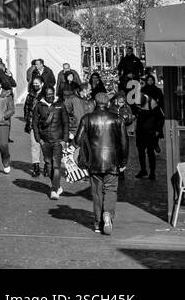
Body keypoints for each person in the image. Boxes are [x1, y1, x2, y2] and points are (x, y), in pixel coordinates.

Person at [75, 92, 129, 235]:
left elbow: (77, 140)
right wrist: (123, 161)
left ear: (94, 102)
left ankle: (98, 222)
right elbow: (124, 143)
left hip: (94, 161)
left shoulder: (87, 118)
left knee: (97, 192)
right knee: (111, 190)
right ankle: (108, 214)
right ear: (108, 103)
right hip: (112, 161)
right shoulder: (117, 119)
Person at [32, 85, 69, 200]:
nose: (50, 97)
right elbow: (34, 124)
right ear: (44, 95)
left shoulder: (60, 105)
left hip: (58, 140)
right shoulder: (39, 106)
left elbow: (66, 123)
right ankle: (57, 185)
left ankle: (54, 189)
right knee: (48, 165)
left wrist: (65, 139)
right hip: (45, 140)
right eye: (48, 95)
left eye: (52, 94)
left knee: (56, 165)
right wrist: (39, 139)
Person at [134, 73, 165, 180]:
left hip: (151, 131)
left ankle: (152, 172)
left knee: (150, 152)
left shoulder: (154, 105)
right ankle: (143, 170)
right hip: (141, 131)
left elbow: (160, 117)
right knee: (141, 151)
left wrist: (158, 130)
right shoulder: (140, 106)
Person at [0, 68, 15, 175]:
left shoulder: (7, 94)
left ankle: (6, 161)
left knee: (3, 145)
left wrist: (3, 116)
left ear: (0, 84)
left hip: (3, 123)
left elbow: (12, 110)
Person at [22, 76, 45, 178]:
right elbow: (26, 108)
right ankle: (36, 166)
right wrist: (28, 120)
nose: (35, 85)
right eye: (34, 83)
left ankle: (46, 166)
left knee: (45, 146)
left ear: (42, 84)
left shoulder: (46, 95)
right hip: (33, 125)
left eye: (37, 83)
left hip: (44, 125)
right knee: (34, 146)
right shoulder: (30, 95)